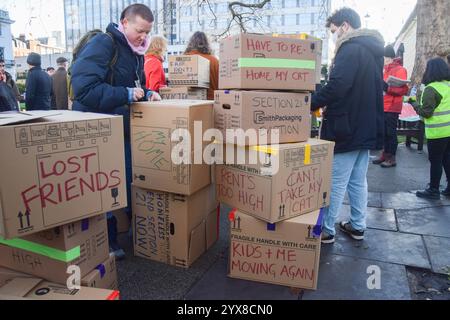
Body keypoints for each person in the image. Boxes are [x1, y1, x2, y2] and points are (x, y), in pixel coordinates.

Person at [71, 3, 161, 260]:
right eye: (140, 30)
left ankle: (133, 232)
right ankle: (107, 239)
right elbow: (84, 90)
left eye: (147, 32)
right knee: (103, 185)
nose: (144, 37)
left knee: (127, 178)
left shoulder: (136, 51)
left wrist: (148, 92)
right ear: (124, 22)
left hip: (120, 126)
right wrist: (126, 94)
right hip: (97, 128)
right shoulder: (104, 43)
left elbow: (137, 84)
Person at [310, 8, 385, 244]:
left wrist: (309, 102)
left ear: (344, 26)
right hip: (365, 126)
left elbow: (339, 85)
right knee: (357, 180)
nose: (333, 36)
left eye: (333, 31)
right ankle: (357, 225)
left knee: (336, 179)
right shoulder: (372, 51)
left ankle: (327, 230)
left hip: (346, 126)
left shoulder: (350, 48)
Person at [412, 58, 450, 199]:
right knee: (447, 158)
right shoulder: (448, 86)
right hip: (449, 131)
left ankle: (433, 190)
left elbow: (426, 113)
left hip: (438, 132)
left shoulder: (431, 88)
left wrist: (413, 104)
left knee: (436, 160)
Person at [372, 45, 409, 168]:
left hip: (393, 106)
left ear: (391, 58)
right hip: (383, 105)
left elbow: (403, 90)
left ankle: (392, 158)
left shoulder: (400, 69)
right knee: (384, 132)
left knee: (390, 133)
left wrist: (387, 88)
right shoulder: (384, 69)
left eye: (386, 58)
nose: (384, 61)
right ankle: (385, 154)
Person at [184, 31, 218, 100]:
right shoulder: (215, 61)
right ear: (207, 43)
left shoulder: (184, 59)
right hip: (212, 102)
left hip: (189, 102)